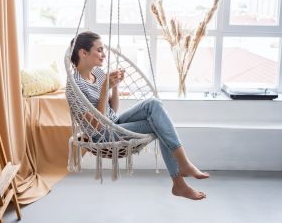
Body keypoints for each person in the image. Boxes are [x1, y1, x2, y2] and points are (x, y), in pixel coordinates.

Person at [66, 31, 209, 200]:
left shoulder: (97, 74)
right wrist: (105, 87)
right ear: (83, 53)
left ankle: (182, 173)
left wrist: (115, 86)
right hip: (102, 135)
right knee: (160, 125)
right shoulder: (73, 88)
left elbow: (113, 109)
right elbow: (97, 126)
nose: (104, 55)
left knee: (153, 104)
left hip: (115, 123)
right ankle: (181, 174)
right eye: (99, 50)